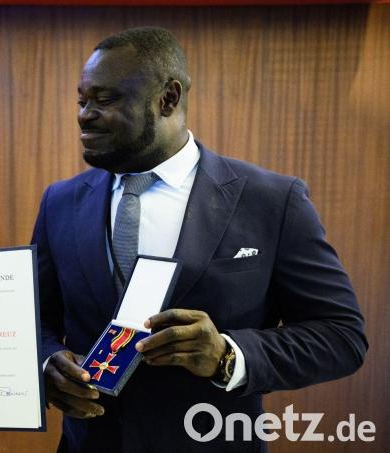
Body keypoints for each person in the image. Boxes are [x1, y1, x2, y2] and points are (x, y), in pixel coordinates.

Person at [33, 27, 367, 451]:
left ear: (168, 98)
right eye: (82, 100)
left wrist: (228, 356)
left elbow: (341, 336)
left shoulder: (271, 200)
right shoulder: (60, 202)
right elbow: (35, 320)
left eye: (106, 100)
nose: (84, 114)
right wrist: (47, 363)